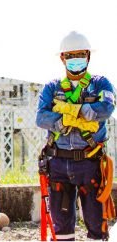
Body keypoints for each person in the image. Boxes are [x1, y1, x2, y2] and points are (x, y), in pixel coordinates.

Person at [36, 31, 115, 240]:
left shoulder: (101, 84)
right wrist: (64, 122)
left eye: (80, 54)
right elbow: (41, 118)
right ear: (62, 58)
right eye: (70, 55)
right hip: (58, 162)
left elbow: (106, 108)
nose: (75, 59)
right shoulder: (52, 88)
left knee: (97, 223)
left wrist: (74, 111)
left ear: (88, 56)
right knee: (61, 227)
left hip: (89, 162)